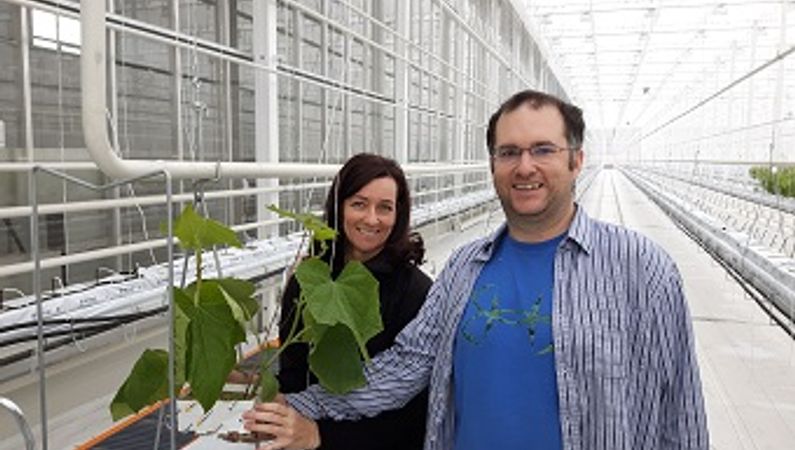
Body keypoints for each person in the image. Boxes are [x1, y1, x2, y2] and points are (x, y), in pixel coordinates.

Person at [247, 90, 709, 450]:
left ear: (576, 159)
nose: (524, 166)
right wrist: (301, 404)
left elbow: (678, 414)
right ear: (493, 165)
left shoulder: (640, 269)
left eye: (543, 149)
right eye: (508, 152)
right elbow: (403, 368)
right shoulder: (465, 268)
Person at [242, 153, 432, 450]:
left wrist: (320, 436)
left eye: (385, 208)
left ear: (398, 215)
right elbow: (293, 371)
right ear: (339, 206)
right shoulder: (310, 278)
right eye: (358, 204)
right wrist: (280, 411)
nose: (371, 219)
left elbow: (414, 410)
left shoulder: (416, 291)